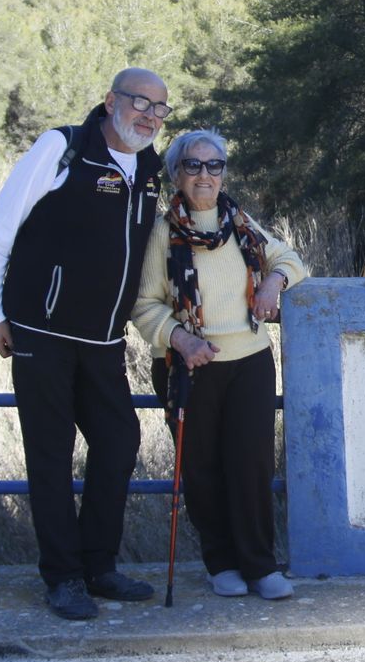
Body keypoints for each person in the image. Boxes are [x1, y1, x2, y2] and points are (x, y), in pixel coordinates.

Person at [0, 67, 170, 620]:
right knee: (51, 455)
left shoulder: (150, 170)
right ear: (110, 101)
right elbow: (0, 228)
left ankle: (98, 567)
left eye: (160, 108)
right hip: (41, 333)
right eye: (140, 102)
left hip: (104, 340)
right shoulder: (62, 148)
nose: (149, 116)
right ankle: (63, 578)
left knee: (119, 443)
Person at [132, 129, 308, 601]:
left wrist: (272, 283)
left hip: (250, 360)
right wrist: (181, 338)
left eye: (214, 165)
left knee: (251, 464)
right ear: (177, 174)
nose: (204, 175)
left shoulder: (240, 222)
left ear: (224, 172)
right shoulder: (161, 233)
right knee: (202, 468)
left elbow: (291, 260)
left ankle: (260, 565)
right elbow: (144, 305)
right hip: (189, 365)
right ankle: (221, 562)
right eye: (193, 165)